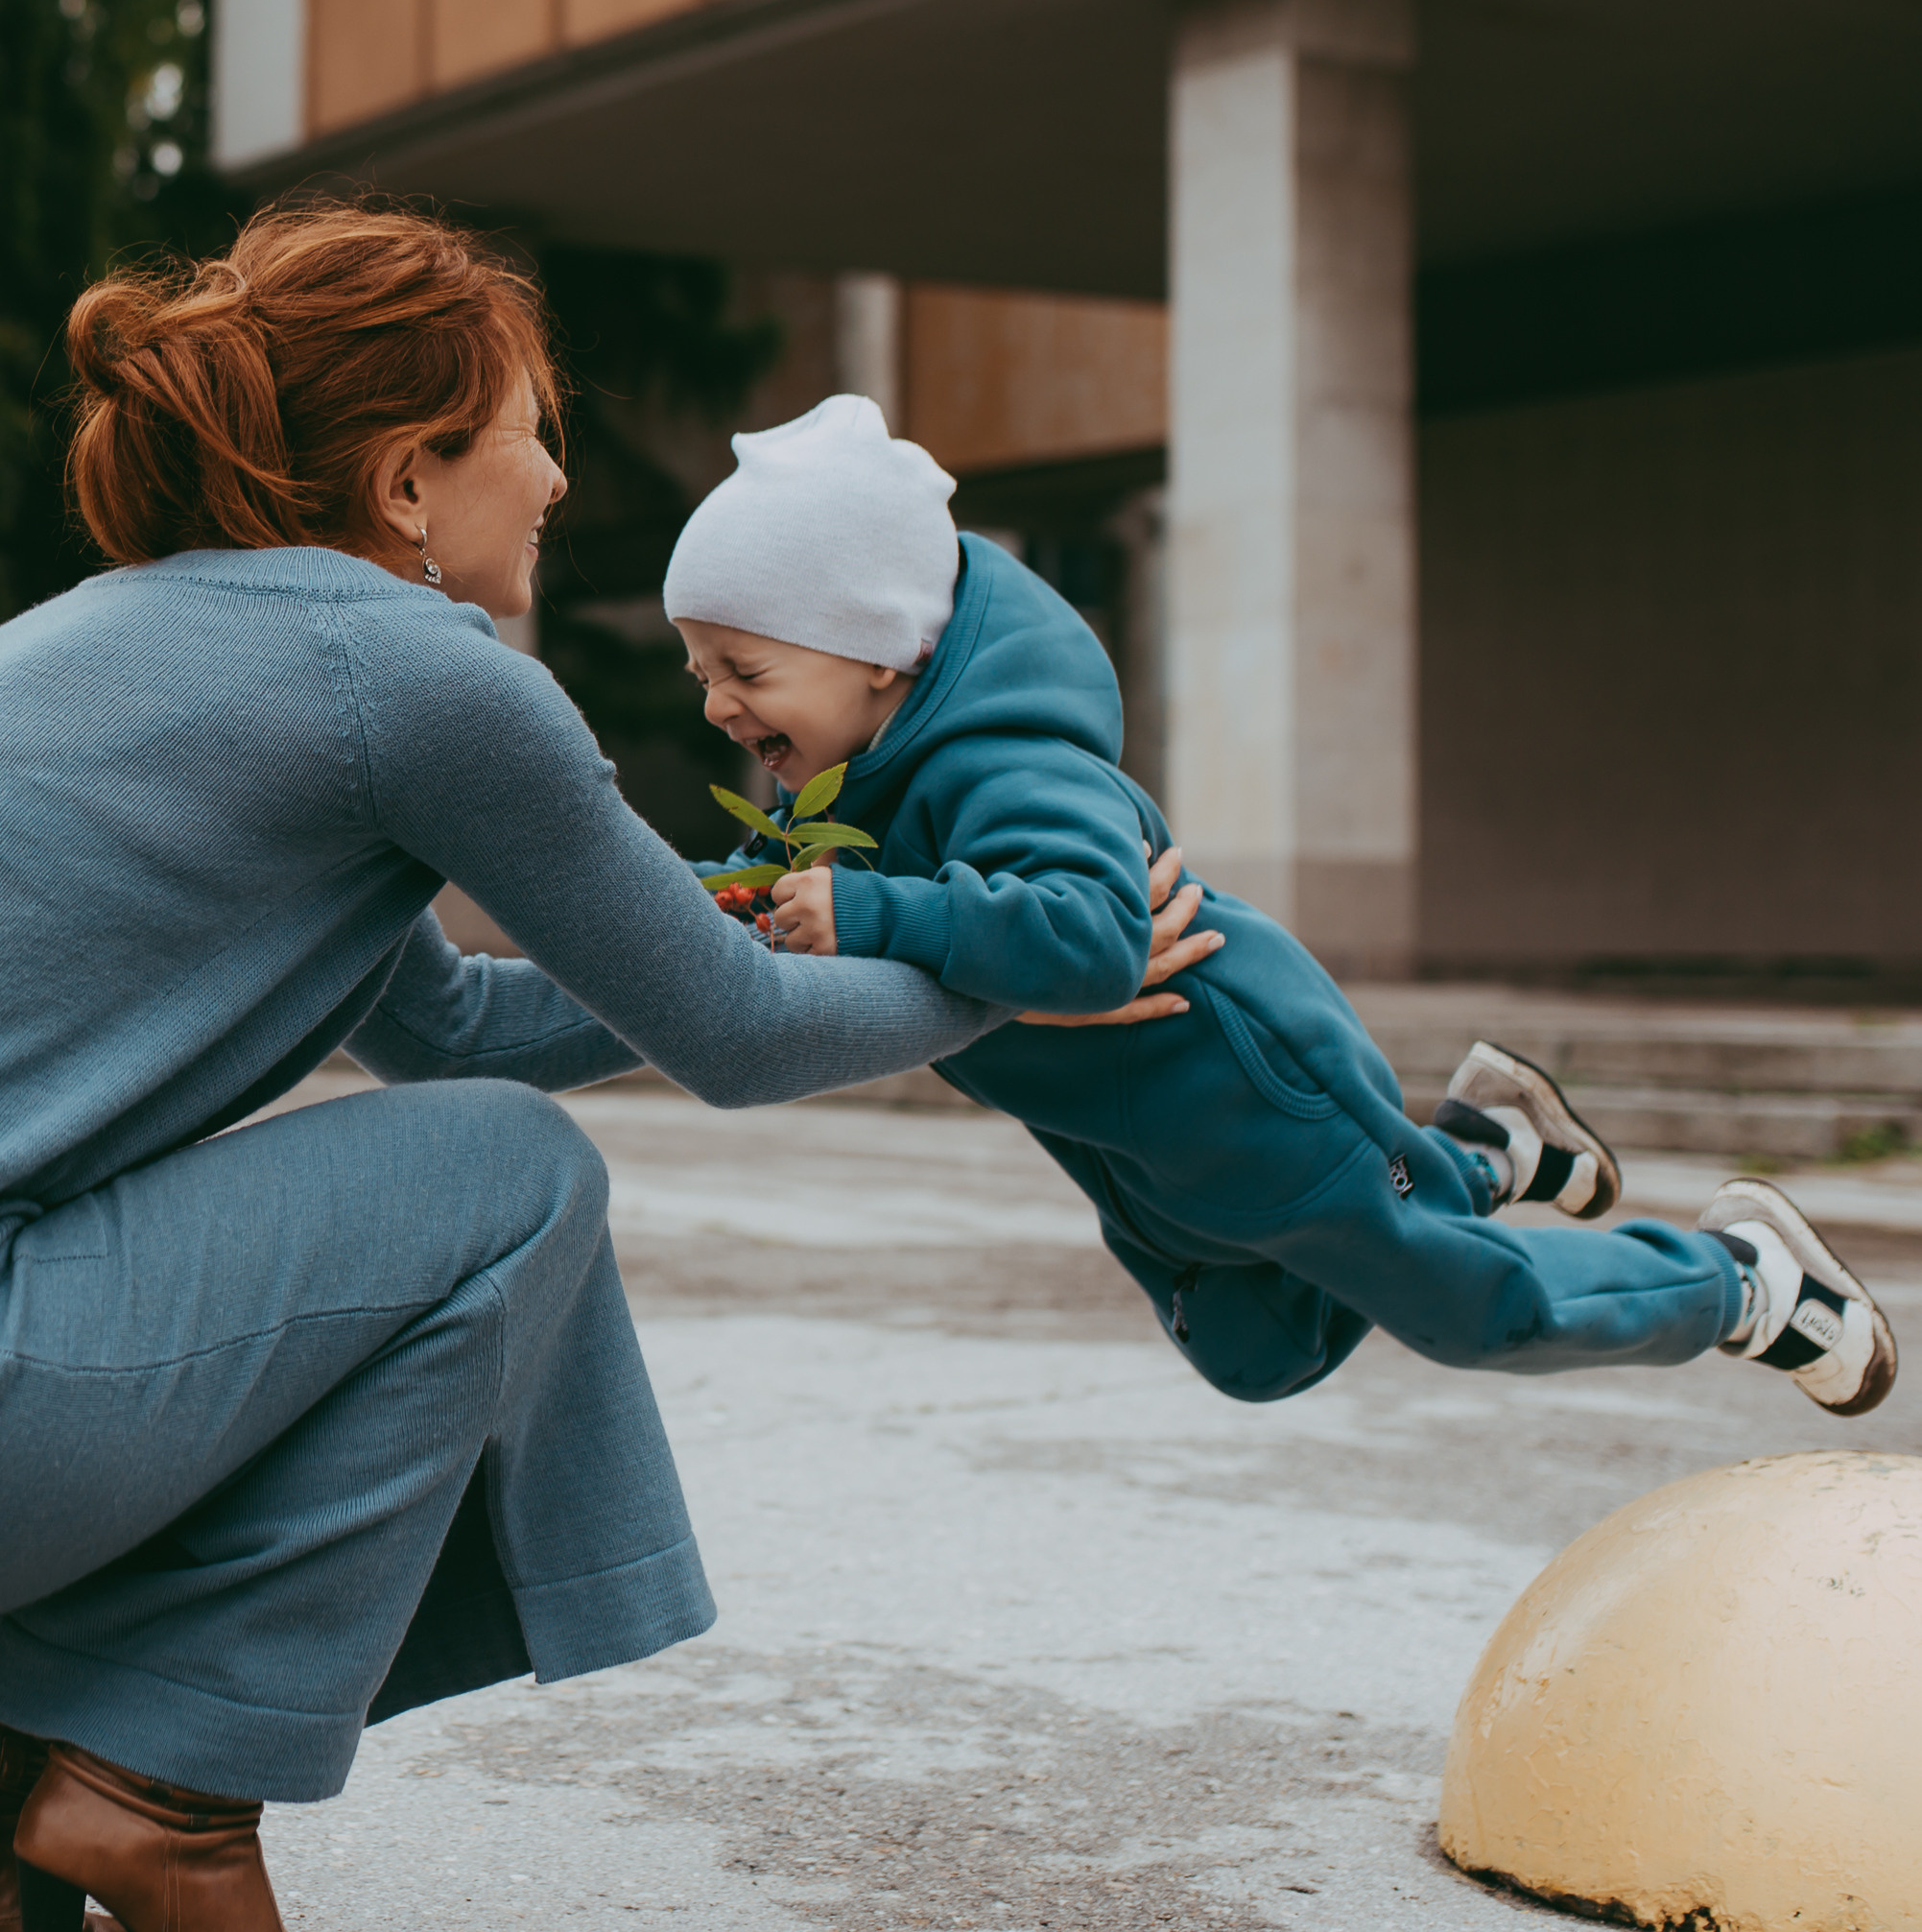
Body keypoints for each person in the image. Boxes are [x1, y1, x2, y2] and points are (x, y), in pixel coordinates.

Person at [0, 207, 1212, 1932]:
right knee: (512, 1179)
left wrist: (756, 896)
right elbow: (723, 1046)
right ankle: (162, 1798)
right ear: (411, 478)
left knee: (428, 1158)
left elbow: (451, 1017)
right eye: (524, 426)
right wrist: (1018, 966)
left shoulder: (116, 636)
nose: (558, 472)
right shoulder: (417, 677)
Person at [664, 394, 1897, 1428]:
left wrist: (880, 917)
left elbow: (1092, 943)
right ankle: (1487, 1152)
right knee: (1256, 1357)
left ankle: (1741, 1280)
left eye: (747, 670)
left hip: (1255, 1088)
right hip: (1150, 1152)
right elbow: (769, 903)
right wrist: (730, 907)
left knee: (1479, 1311)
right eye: (699, 670)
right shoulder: (843, 794)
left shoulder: (1015, 768)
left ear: (878, 650)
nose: (716, 705)